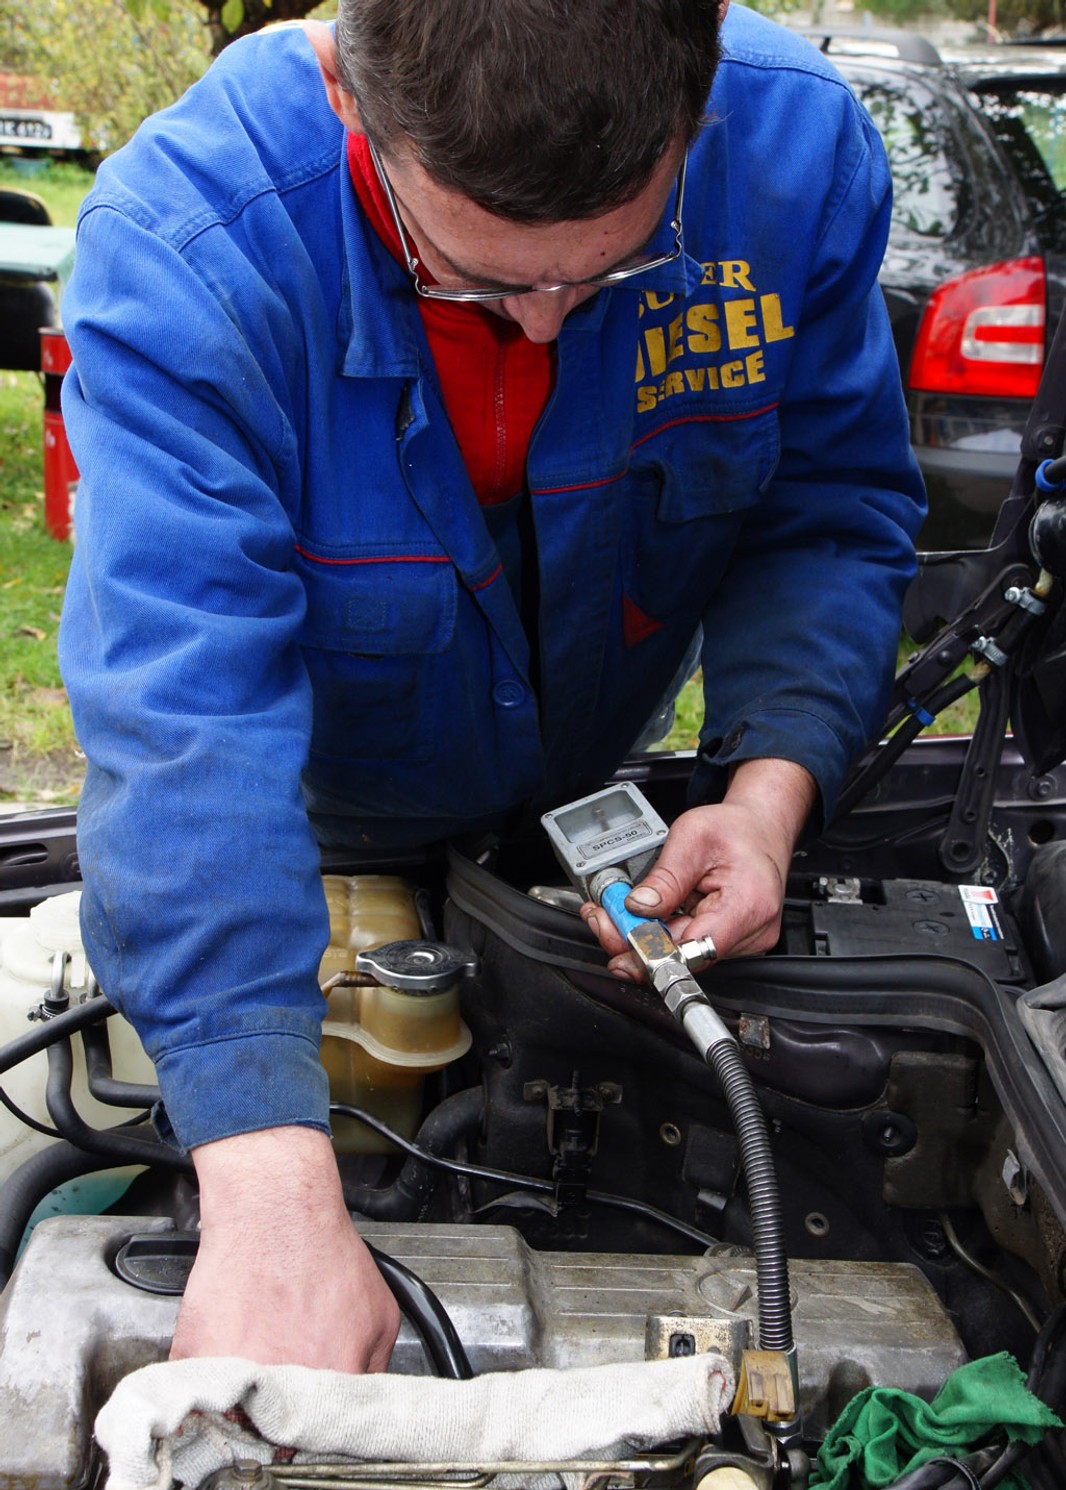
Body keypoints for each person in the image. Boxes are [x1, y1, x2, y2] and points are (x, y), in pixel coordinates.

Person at [58, 0, 925, 1380]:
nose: (538, 324)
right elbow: (182, 704)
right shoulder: (193, 247)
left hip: (574, 826)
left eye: (611, 269)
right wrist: (267, 1184)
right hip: (300, 826)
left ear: (697, 111)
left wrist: (766, 793)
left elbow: (821, 511)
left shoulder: (790, 152)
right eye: (467, 278)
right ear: (349, 90)